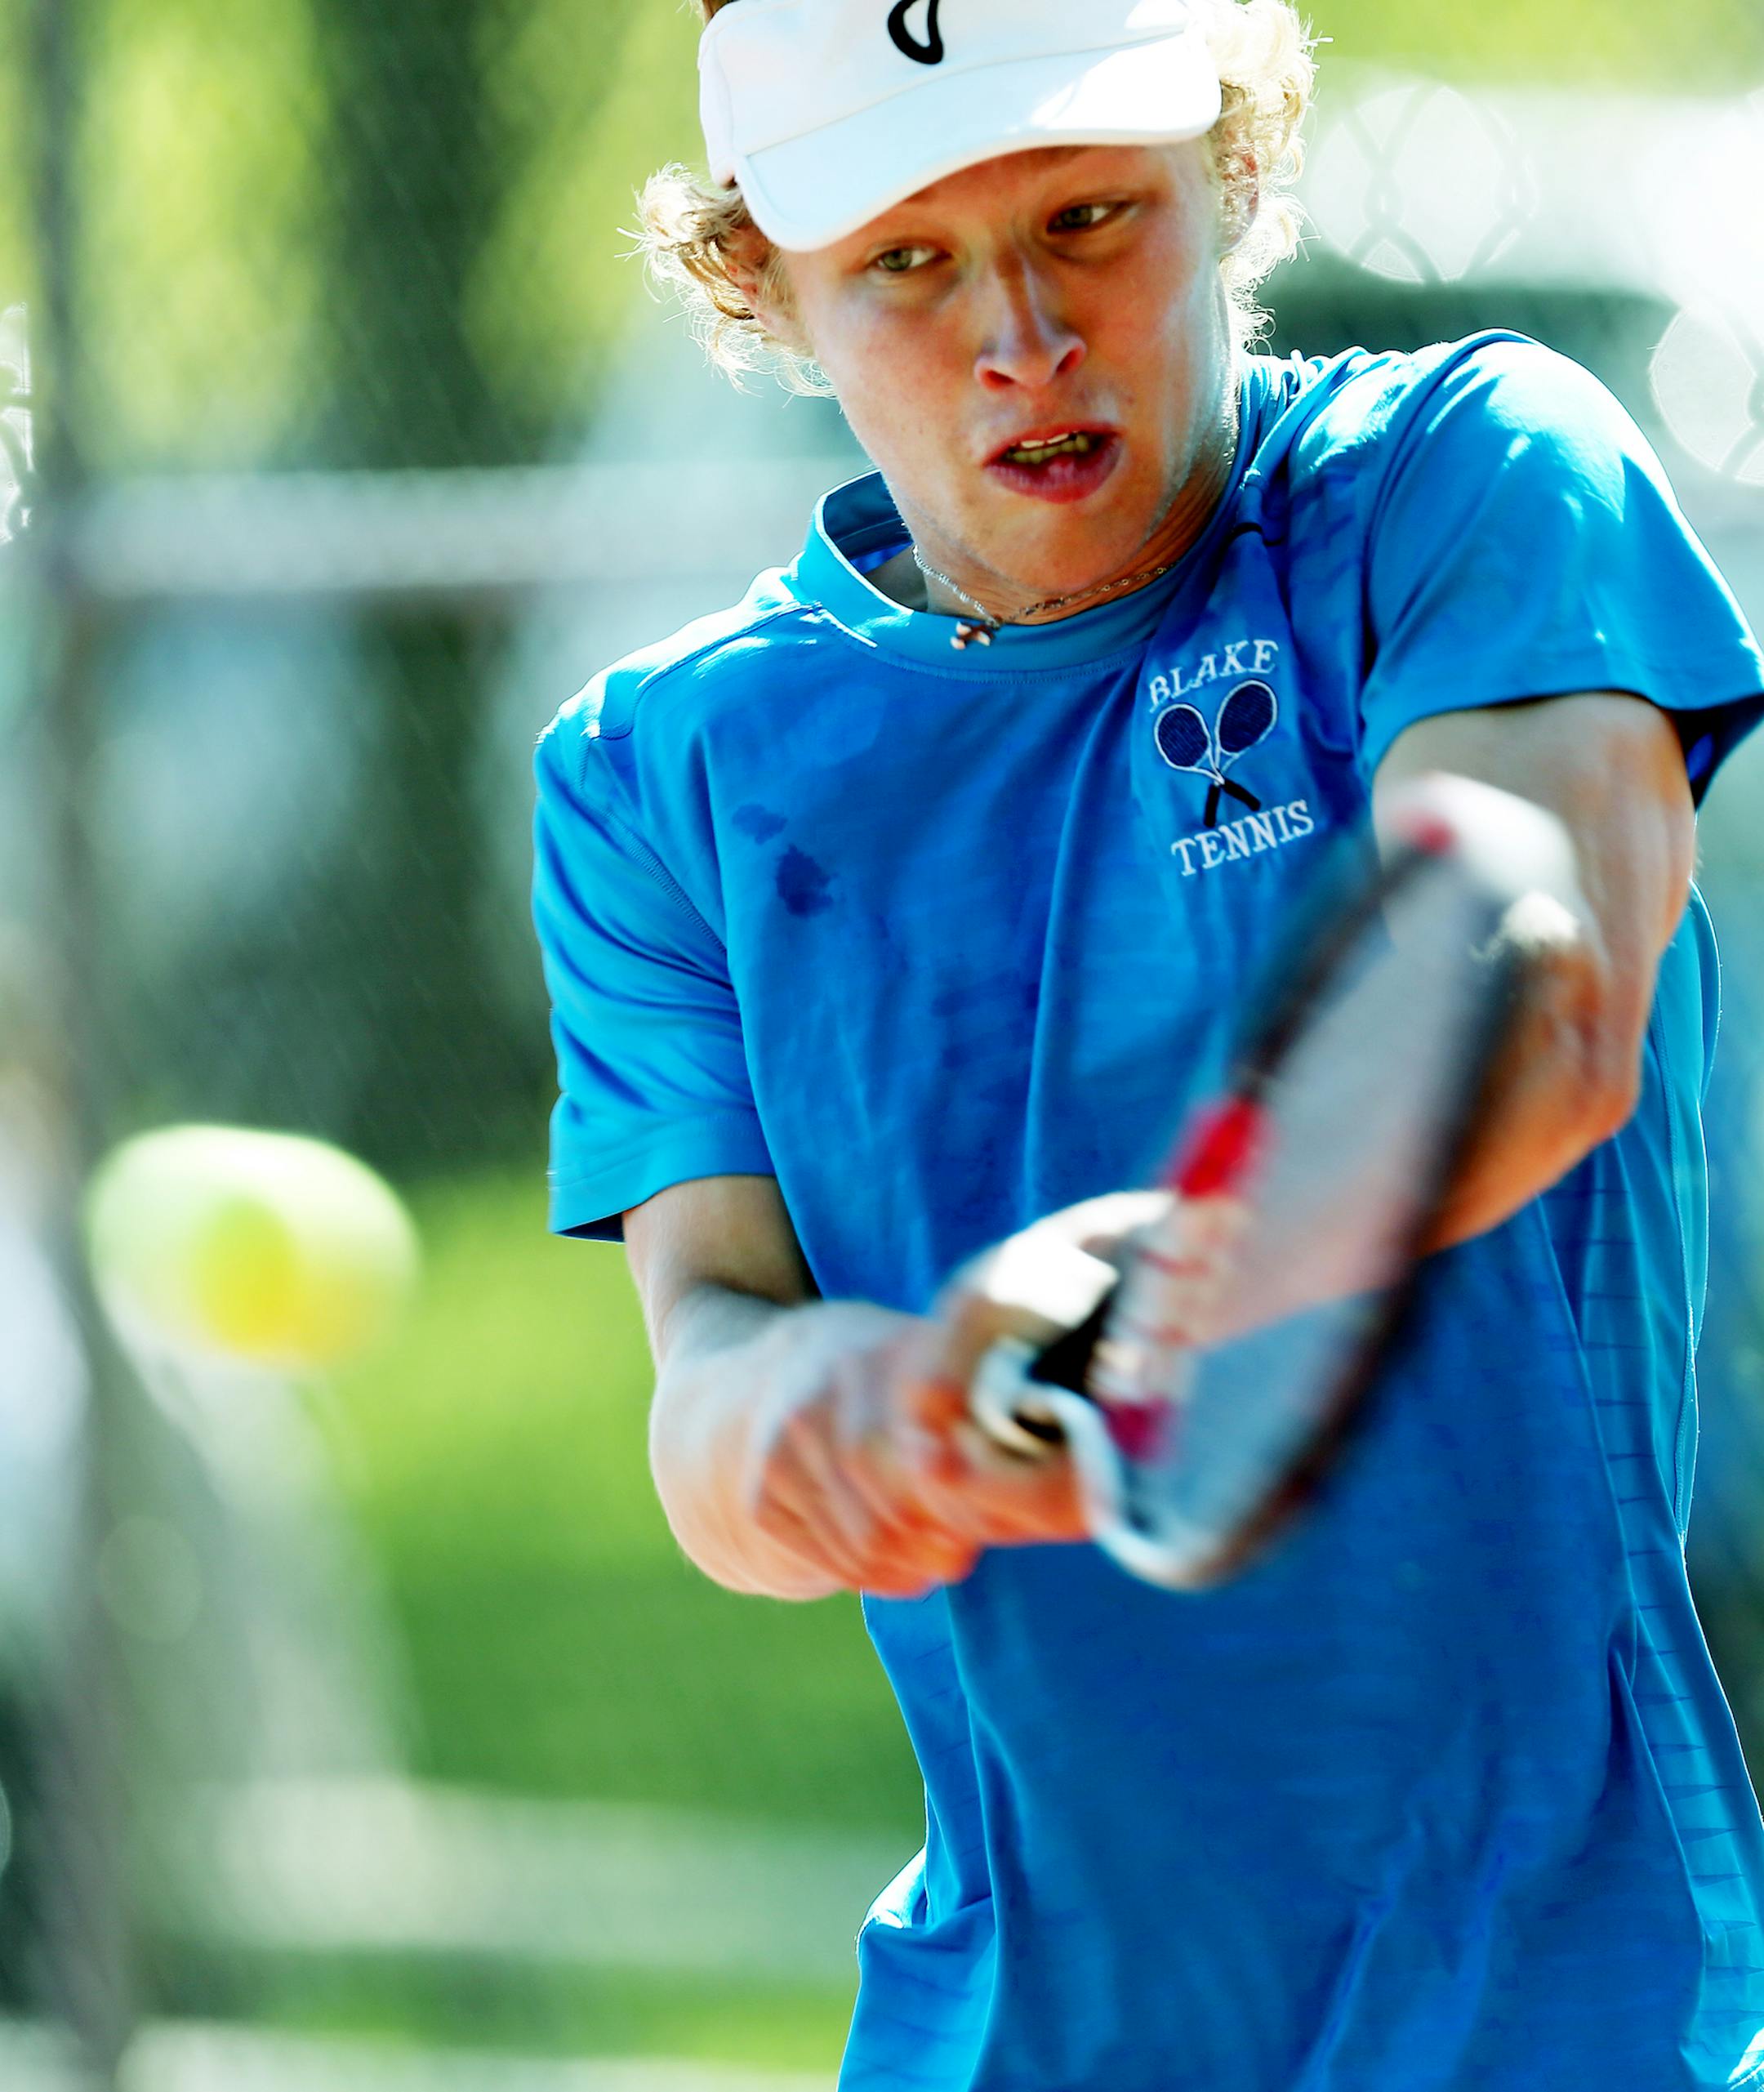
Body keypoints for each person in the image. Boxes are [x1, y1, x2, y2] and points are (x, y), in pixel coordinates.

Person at [531, 2, 1764, 2084]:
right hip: (1002, 2033)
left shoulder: (1465, 476)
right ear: (765, 284)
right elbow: (713, 1392)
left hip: (1565, 2009)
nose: (1022, 330)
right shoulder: (659, 772)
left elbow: (1534, 987)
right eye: (909, 261)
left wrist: (1151, 1293)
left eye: (1092, 216)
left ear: (1239, 169)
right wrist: (854, 1415)